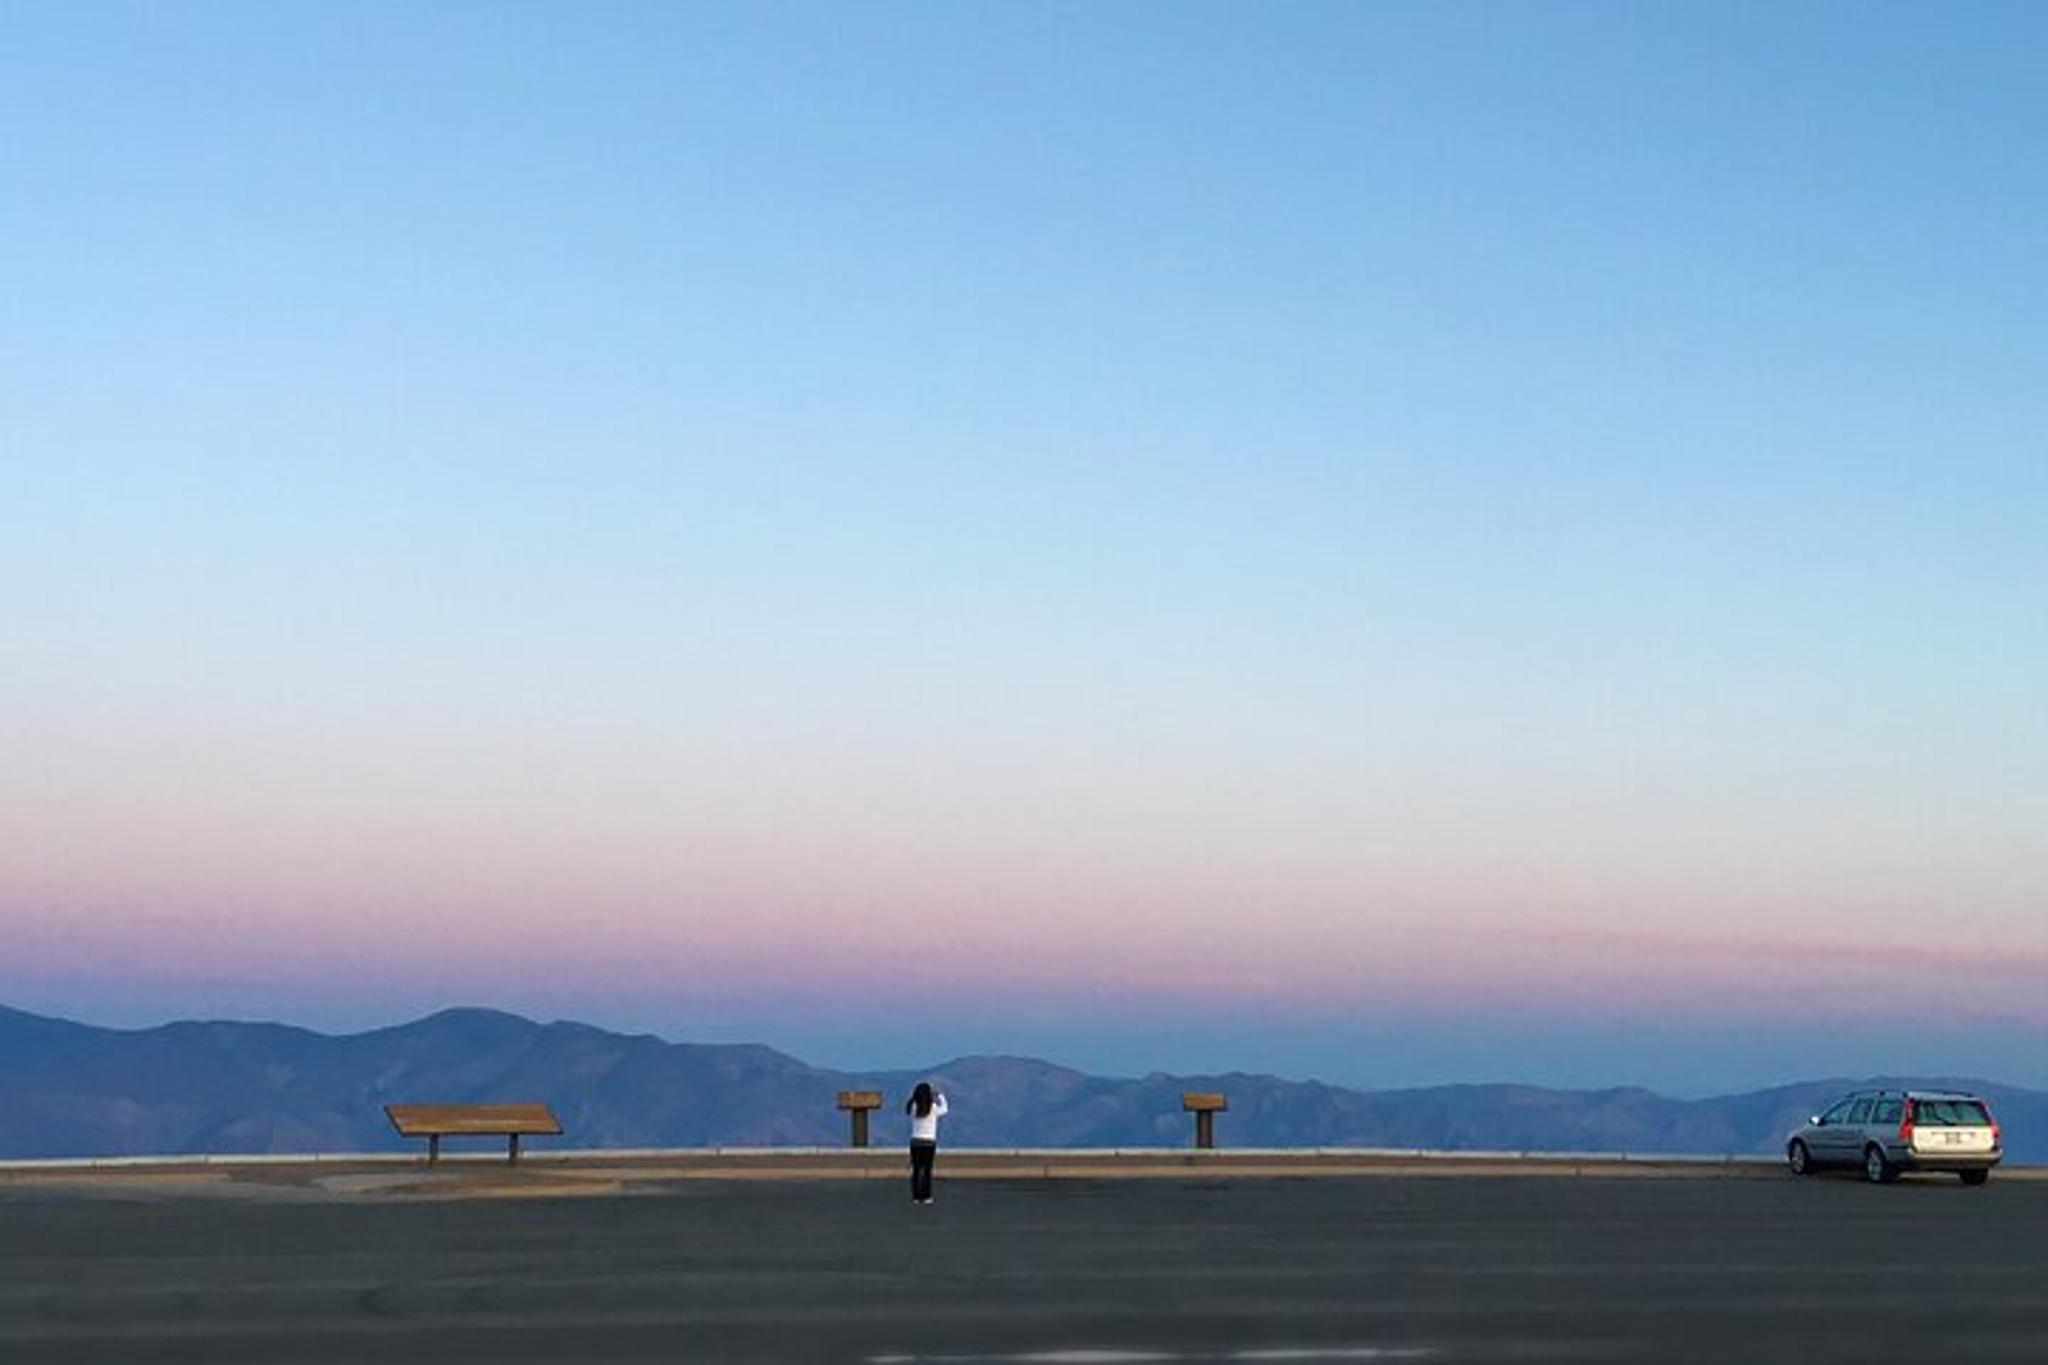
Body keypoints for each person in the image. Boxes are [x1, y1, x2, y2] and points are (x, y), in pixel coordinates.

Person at [905, 1080, 947, 1204]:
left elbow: (912, 1104)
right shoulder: (933, 1108)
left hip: (915, 1142)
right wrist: (940, 1096)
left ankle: (916, 1196)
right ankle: (926, 1195)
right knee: (927, 1170)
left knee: (916, 1170)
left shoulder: (914, 1107)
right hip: (929, 1142)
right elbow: (944, 1109)